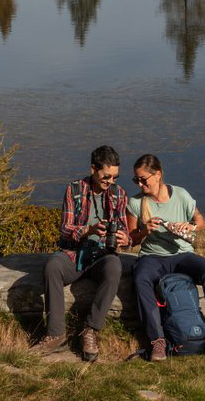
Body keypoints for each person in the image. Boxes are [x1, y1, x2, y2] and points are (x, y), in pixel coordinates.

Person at [128, 154, 205, 360]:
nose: (139, 184)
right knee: (140, 278)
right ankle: (157, 340)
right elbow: (131, 240)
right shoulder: (135, 203)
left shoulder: (181, 195)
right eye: (136, 180)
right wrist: (145, 231)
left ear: (158, 175)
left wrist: (191, 226)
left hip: (182, 255)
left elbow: (201, 221)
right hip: (152, 257)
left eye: (143, 179)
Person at [34, 145, 129, 362]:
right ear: (93, 169)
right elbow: (65, 229)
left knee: (114, 268)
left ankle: (91, 330)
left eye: (115, 177)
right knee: (52, 266)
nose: (110, 182)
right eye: (106, 177)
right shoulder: (75, 189)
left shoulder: (118, 194)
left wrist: (125, 239)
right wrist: (88, 230)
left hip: (103, 254)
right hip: (75, 252)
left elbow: (124, 230)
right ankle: (55, 334)